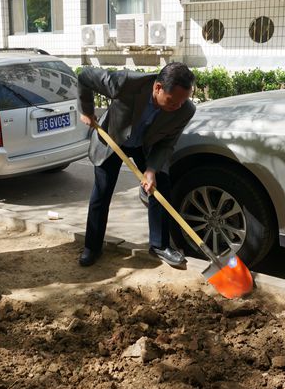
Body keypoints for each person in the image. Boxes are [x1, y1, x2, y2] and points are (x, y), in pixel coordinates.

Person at [77, 62, 196, 268]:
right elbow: (85, 75)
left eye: (182, 101)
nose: (177, 106)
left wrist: (151, 170)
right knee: (102, 191)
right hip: (113, 140)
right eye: (173, 101)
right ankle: (92, 246)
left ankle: (159, 245)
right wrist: (87, 110)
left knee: (161, 186)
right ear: (158, 88)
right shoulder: (126, 83)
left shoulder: (185, 109)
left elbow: (167, 143)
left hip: (146, 145)